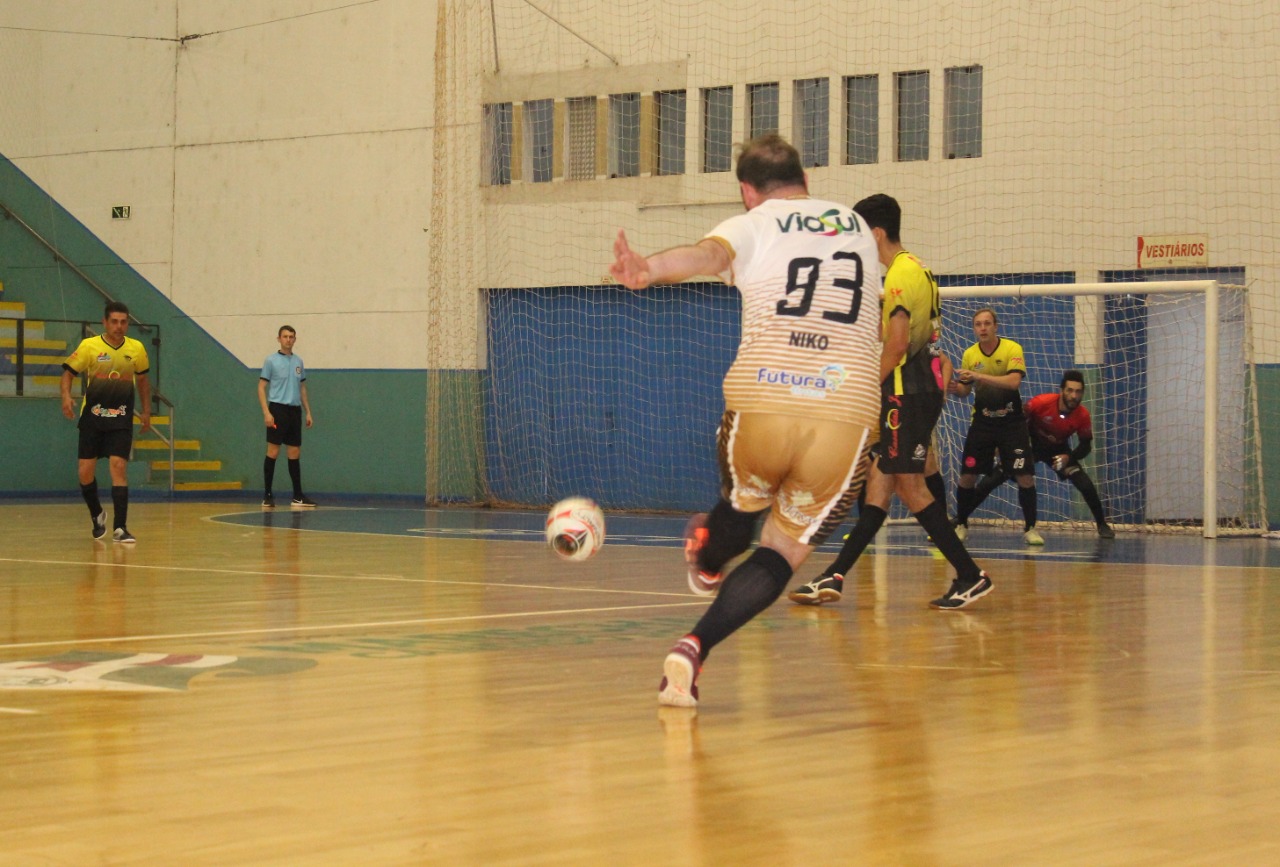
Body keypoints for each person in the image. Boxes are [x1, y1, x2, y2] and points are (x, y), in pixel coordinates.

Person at [609, 133, 883, 708]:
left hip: (766, 395)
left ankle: (709, 559)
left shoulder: (753, 223)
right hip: (846, 409)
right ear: (805, 180)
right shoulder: (857, 225)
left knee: (742, 500)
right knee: (782, 552)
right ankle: (693, 648)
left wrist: (648, 268)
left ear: (747, 192)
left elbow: (708, 256)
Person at [786, 194, 992, 609]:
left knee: (910, 487)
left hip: (905, 393)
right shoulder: (921, 270)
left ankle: (970, 575)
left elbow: (897, 345)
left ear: (876, 233)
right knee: (878, 488)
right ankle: (833, 576)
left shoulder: (898, 276)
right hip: (917, 389)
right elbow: (920, 337)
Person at [969, 370, 1115, 538]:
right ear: (1061, 390)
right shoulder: (1041, 403)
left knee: (1085, 484)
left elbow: (1085, 446)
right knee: (992, 480)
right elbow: (1014, 421)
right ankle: (961, 517)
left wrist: (1069, 457)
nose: (1073, 396)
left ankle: (1102, 524)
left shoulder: (1082, 415)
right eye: (1070, 390)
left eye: (1078, 391)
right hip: (1030, 446)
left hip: (1057, 451)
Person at [60, 300, 151, 544]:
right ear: (105, 322)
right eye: (114, 322)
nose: (119, 326)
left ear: (127, 324)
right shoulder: (89, 346)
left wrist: (146, 411)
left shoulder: (136, 348)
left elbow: (143, 381)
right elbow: (68, 373)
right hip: (93, 418)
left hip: (120, 418)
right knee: (85, 473)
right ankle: (97, 513)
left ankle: (120, 528)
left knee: (118, 466)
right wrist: (66, 396)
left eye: (123, 322)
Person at [949, 308, 1041, 544]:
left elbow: (1013, 382)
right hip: (982, 423)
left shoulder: (1012, 349)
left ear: (996, 326)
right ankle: (961, 524)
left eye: (987, 323)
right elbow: (966, 390)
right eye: (978, 324)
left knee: (1025, 476)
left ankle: (1030, 528)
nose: (983, 328)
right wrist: (955, 388)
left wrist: (979, 376)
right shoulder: (970, 354)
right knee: (967, 475)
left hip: (1012, 424)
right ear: (974, 328)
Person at [258, 325, 315, 507]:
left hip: (294, 411)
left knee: (294, 452)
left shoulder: (298, 361)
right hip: (277, 410)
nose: (288, 340)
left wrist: (308, 411)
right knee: (273, 451)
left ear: (295, 339)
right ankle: (267, 495)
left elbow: (302, 388)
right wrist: (267, 412)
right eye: (285, 336)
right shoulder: (271, 361)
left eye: (291, 337)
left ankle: (297, 496)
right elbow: (261, 387)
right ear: (279, 339)